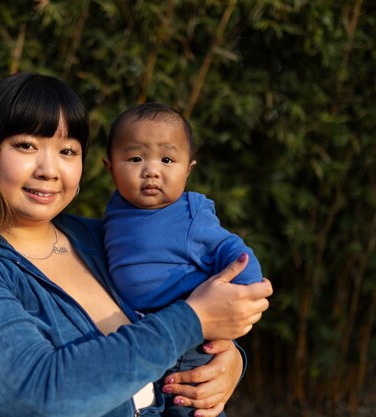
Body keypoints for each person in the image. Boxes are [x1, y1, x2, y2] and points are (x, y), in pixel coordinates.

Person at [0, 73, 273, 417]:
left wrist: (227, 363)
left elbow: (183, 319)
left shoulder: (105, 239)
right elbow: (35, 397)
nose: (49, 169)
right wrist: (191, 321)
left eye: (68, 151)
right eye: (26, 146)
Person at [102, 102, 264, 417]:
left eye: (167, 159)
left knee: (190, 406)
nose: (151, 170)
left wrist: (245, 295)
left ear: (188, 169)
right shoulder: (116, 210)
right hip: (146, 336)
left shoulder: (188, 215)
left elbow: (235, 252)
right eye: (135, 158)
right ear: (110, 167)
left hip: (188, 343)